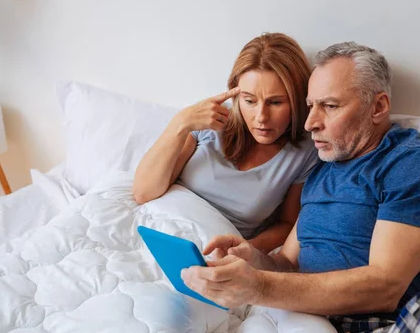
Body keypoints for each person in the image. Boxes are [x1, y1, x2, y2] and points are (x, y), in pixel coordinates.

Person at [182, 42, 420, 333]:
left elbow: (385, 285)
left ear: (378, 107)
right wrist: (253, 258)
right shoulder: (320, 172)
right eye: (310, 106)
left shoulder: (414, 165)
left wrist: (260, 287)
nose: (310, 123)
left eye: (329, 106)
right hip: (296, 323)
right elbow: (286, 263)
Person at [133, 33, 318, 253]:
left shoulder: (304, 152)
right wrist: (181, 123)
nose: (261, 116)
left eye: (276, 102)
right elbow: (144, 193)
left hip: (216, 250)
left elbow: (286, 225)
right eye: (249, 101)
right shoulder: (210, 120)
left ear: (298, 99)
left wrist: (242, 251)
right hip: (158, 233)